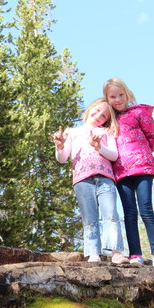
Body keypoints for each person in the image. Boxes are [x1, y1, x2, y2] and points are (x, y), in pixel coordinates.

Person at [50, 98, 129, 264]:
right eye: (97, 111)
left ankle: (116, 252)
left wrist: (98, 146)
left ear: (107, 120)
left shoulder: (105, 133)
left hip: (105, 178)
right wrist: (59, 146)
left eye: (104, 116)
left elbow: (114, 155)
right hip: (82, 180)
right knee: (89, 217)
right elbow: (62, 158)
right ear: (90, 108)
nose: (99, 116)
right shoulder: (72, 132)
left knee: (111, 214)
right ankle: (93, 252)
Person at [103, 77, 154, 267]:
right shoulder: (109, 120)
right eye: (113, 97)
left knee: (146, 208)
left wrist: (142, 154)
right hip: (121, 172)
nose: (118, 100)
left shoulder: (138, 112)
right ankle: (135, 255)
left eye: (121, 95)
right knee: (129, 212)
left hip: (142, 168)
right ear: (108, 99)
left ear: (127, 94)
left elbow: (153, 138)